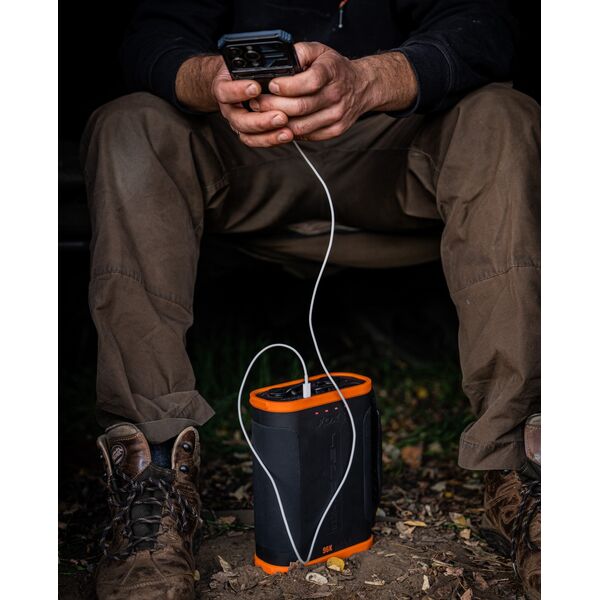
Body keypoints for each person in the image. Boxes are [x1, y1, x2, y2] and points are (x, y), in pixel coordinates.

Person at [81, 1, 541, 598]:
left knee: (504, 115)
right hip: (239, 143)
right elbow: (150, 35)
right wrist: (210, 79)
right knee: (128, 122)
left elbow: (486, 26)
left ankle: (527, 460)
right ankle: (153, 472)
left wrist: (370, 80)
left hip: (396, 136)